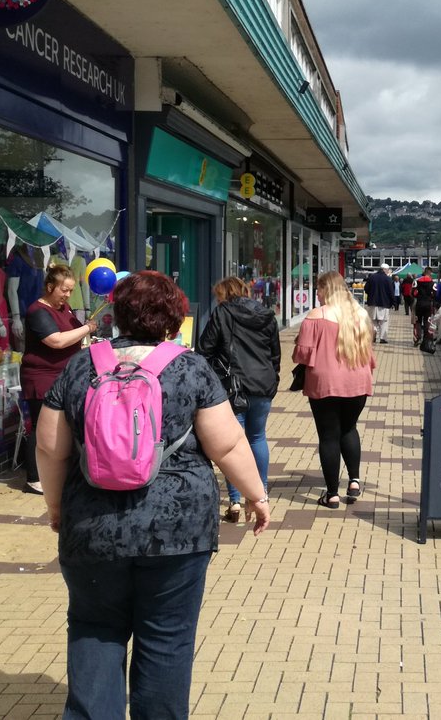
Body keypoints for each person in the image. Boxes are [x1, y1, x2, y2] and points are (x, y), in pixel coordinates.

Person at [35, 270, 271, 719]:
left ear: (118, 315)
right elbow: (228, 444)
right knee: (166, 638)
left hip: (92, 527)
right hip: (178, 532)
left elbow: (49, 446)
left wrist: (56, 507)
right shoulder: (190, 367)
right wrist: (255, 496)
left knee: (94, 629)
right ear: (173, 319)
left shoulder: (82, 365)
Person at [197, 276, 281, 522]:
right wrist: (273, 378)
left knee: (233, 442)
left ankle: (235, 500)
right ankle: (260, 492)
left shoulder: (222, 313)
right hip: (263, 383)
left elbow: (205, 348)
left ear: (224, 294)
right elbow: (275, 352)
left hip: (233, 386)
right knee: (258, 437)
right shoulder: (266, 314)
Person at [293, 270, 375, 508]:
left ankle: (332, 494)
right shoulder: (359, 314)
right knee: (349, 429)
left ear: (326, 290)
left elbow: (302, 354)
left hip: (325, 383)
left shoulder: (316, 316)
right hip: (358, 382)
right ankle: (355, 481)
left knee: (328, 436)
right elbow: (370, 353)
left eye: (318, 289)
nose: (316, 294)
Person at [19, 264, 98, 495]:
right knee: (40, 426)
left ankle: (59, 471)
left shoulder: (65, 309)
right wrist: (87, 328)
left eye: (71, 290)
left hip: (64, 376)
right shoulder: (38, 311)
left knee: (64, 425)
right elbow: (56, 341)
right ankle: (34, 478)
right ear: (50, 286)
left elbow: (72, 338)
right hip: (42, 376)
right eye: (64, 290)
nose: (67, 295)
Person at [363, 263, 394, 344]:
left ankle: (373, 336)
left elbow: (366, 289)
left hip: (372, 302)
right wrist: (393, 302)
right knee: (383, 322)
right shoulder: (388, 279)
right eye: (388, 270)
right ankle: (383, 338)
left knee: (373, 322)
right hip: (384, 304)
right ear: (385, 270)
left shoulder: (372, 277)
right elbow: (391, 292)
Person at [413, 270, 436, 346]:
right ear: (429, 274)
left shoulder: (417, 281)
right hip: (428, 305)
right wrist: (430, 298)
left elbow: (413, 293)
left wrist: (418, 296)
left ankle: (417, 338)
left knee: (418, 322)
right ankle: (426, 339)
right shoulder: (433, 283)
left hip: (419, 304)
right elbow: (435, 294)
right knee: (427, 322)